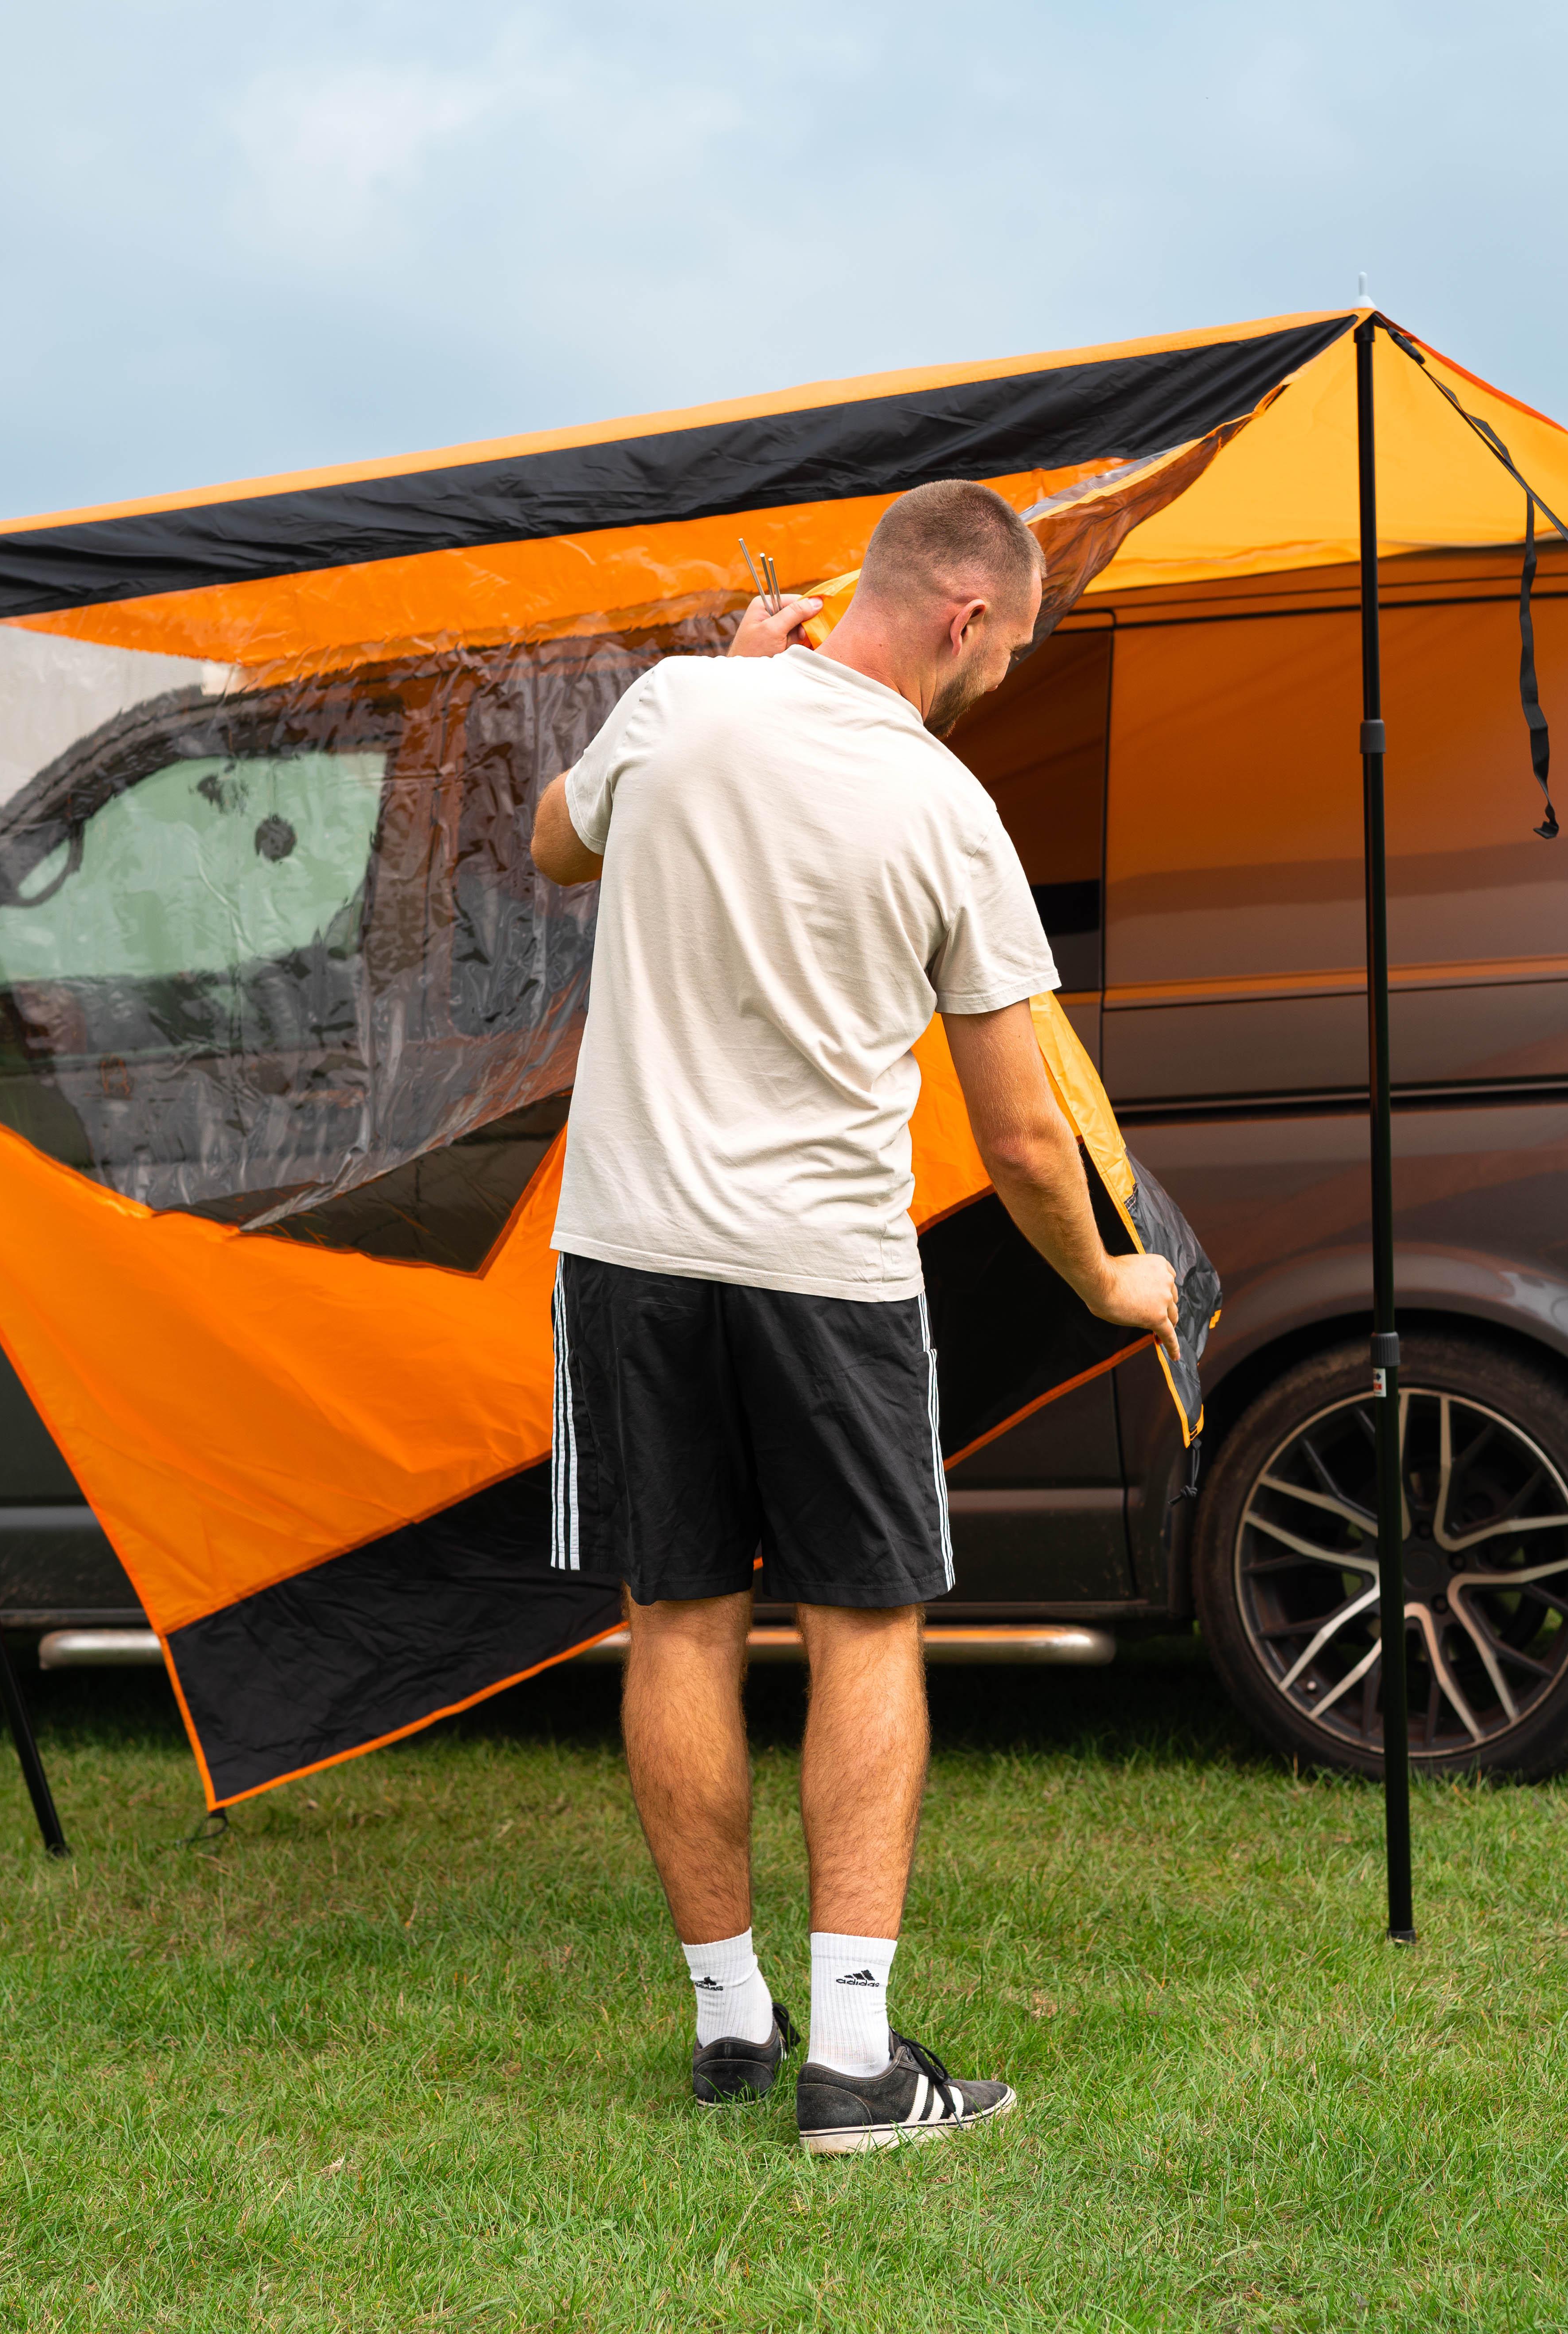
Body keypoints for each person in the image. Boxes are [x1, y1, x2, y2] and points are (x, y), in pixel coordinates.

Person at [530, 479, 1181, 2154]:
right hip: (825, 1269)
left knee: (677, 1622)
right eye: (1011, 646)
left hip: (630, 1251)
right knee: (864, 1627)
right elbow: (1024, 1135)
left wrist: (727, 674)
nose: (1004, 676)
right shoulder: (948, 810)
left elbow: (551, 843)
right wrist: (1110, 1278)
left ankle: (729, 2023)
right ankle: (852, 2065)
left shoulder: (682, 704)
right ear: (963, 617)